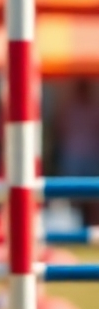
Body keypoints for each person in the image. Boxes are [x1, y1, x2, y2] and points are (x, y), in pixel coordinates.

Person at [58, 78, 99, 223]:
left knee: (93, 197)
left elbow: (62, 129)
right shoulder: (71, 108)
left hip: (87, 156)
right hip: (75, 156)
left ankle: (92, 226)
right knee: (74, 196)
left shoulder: (93, 109)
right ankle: (77, 226)